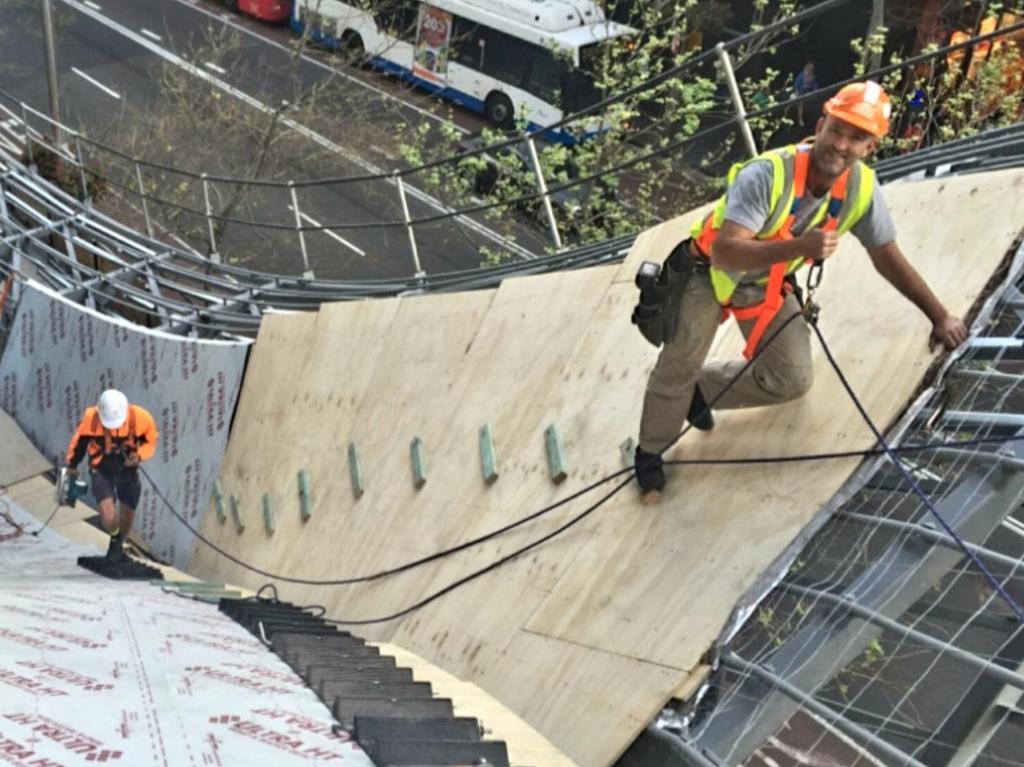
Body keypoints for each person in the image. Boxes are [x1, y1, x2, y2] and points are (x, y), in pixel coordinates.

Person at [634, 81, 968, 502]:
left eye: (857, 137)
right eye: (838, 129)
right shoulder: (768, 174)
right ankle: (650, 451)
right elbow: (725, 253)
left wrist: (939, 316)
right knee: (679, 363)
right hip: (708, 273)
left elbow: (887, 257)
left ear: (870, 147)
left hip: (764, 282)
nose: (842, 144)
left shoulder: (861, 191)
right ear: (820, 124)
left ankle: (700, 390)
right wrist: (799, 248)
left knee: (791, 379)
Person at [65, 389, 159, 562]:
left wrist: (138, 455)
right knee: (109, 516)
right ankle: (115, 537)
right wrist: (72, 465)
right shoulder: (91, 419)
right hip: (101, 469)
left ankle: (117, 546)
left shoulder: (141, 419)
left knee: (128, 512)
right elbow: (79, 443)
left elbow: (150, 442)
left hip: (127, 470)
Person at [794, 62, 819, 126]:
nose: (809, 71)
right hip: (799, 92)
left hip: (808, 92)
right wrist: (798, 94)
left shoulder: (812, 76)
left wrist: (815, 91)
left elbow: (815, 85)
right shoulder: (801, 76)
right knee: (800, 103)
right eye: (809, 69)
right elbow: (796, 85)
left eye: (811, 69)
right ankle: (800, 120)